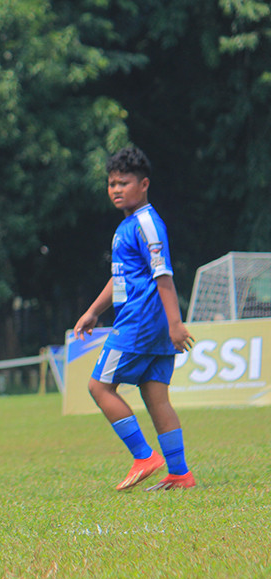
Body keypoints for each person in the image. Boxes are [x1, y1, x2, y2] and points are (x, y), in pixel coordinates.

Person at [74, 146, 195, 491]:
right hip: (150, 325)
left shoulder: (145, 224)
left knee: (98, 386)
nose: (115, 189)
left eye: (123, 183)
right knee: (156, 396)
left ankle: (144, 456)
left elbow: (163, 275)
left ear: (143, 184)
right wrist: (94, 311)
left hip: (140, 322)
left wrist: (175, 323)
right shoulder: (129, 225)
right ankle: (180, 473)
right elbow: (121, 277)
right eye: (111, 183)